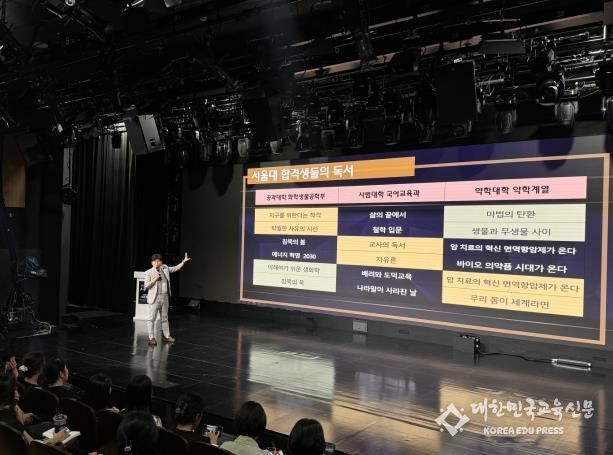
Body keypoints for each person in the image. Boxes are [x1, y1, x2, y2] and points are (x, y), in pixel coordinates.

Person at [0, 373, 69, 446]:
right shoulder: (11, 422)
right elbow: (33, 447)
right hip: (24, 447)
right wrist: (55, 439)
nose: (17, 392)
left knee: (48, 425)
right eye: (15, 389)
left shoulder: (7, 413)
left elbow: (21, 424)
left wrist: (14, 404)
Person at [144, 252, 191, 346]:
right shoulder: (148, 272)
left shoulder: (165, 268)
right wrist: (155, 279)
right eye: (155, 261)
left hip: (164, 296)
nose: (157, 263)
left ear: (161, 262)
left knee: (164, 318)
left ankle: (167, 336)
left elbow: (175, 268)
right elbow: (146, 286)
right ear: (152, 262)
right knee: (151, 318)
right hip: (154, 298)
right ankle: (151, 337)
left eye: (159, 261)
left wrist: (183, 262)